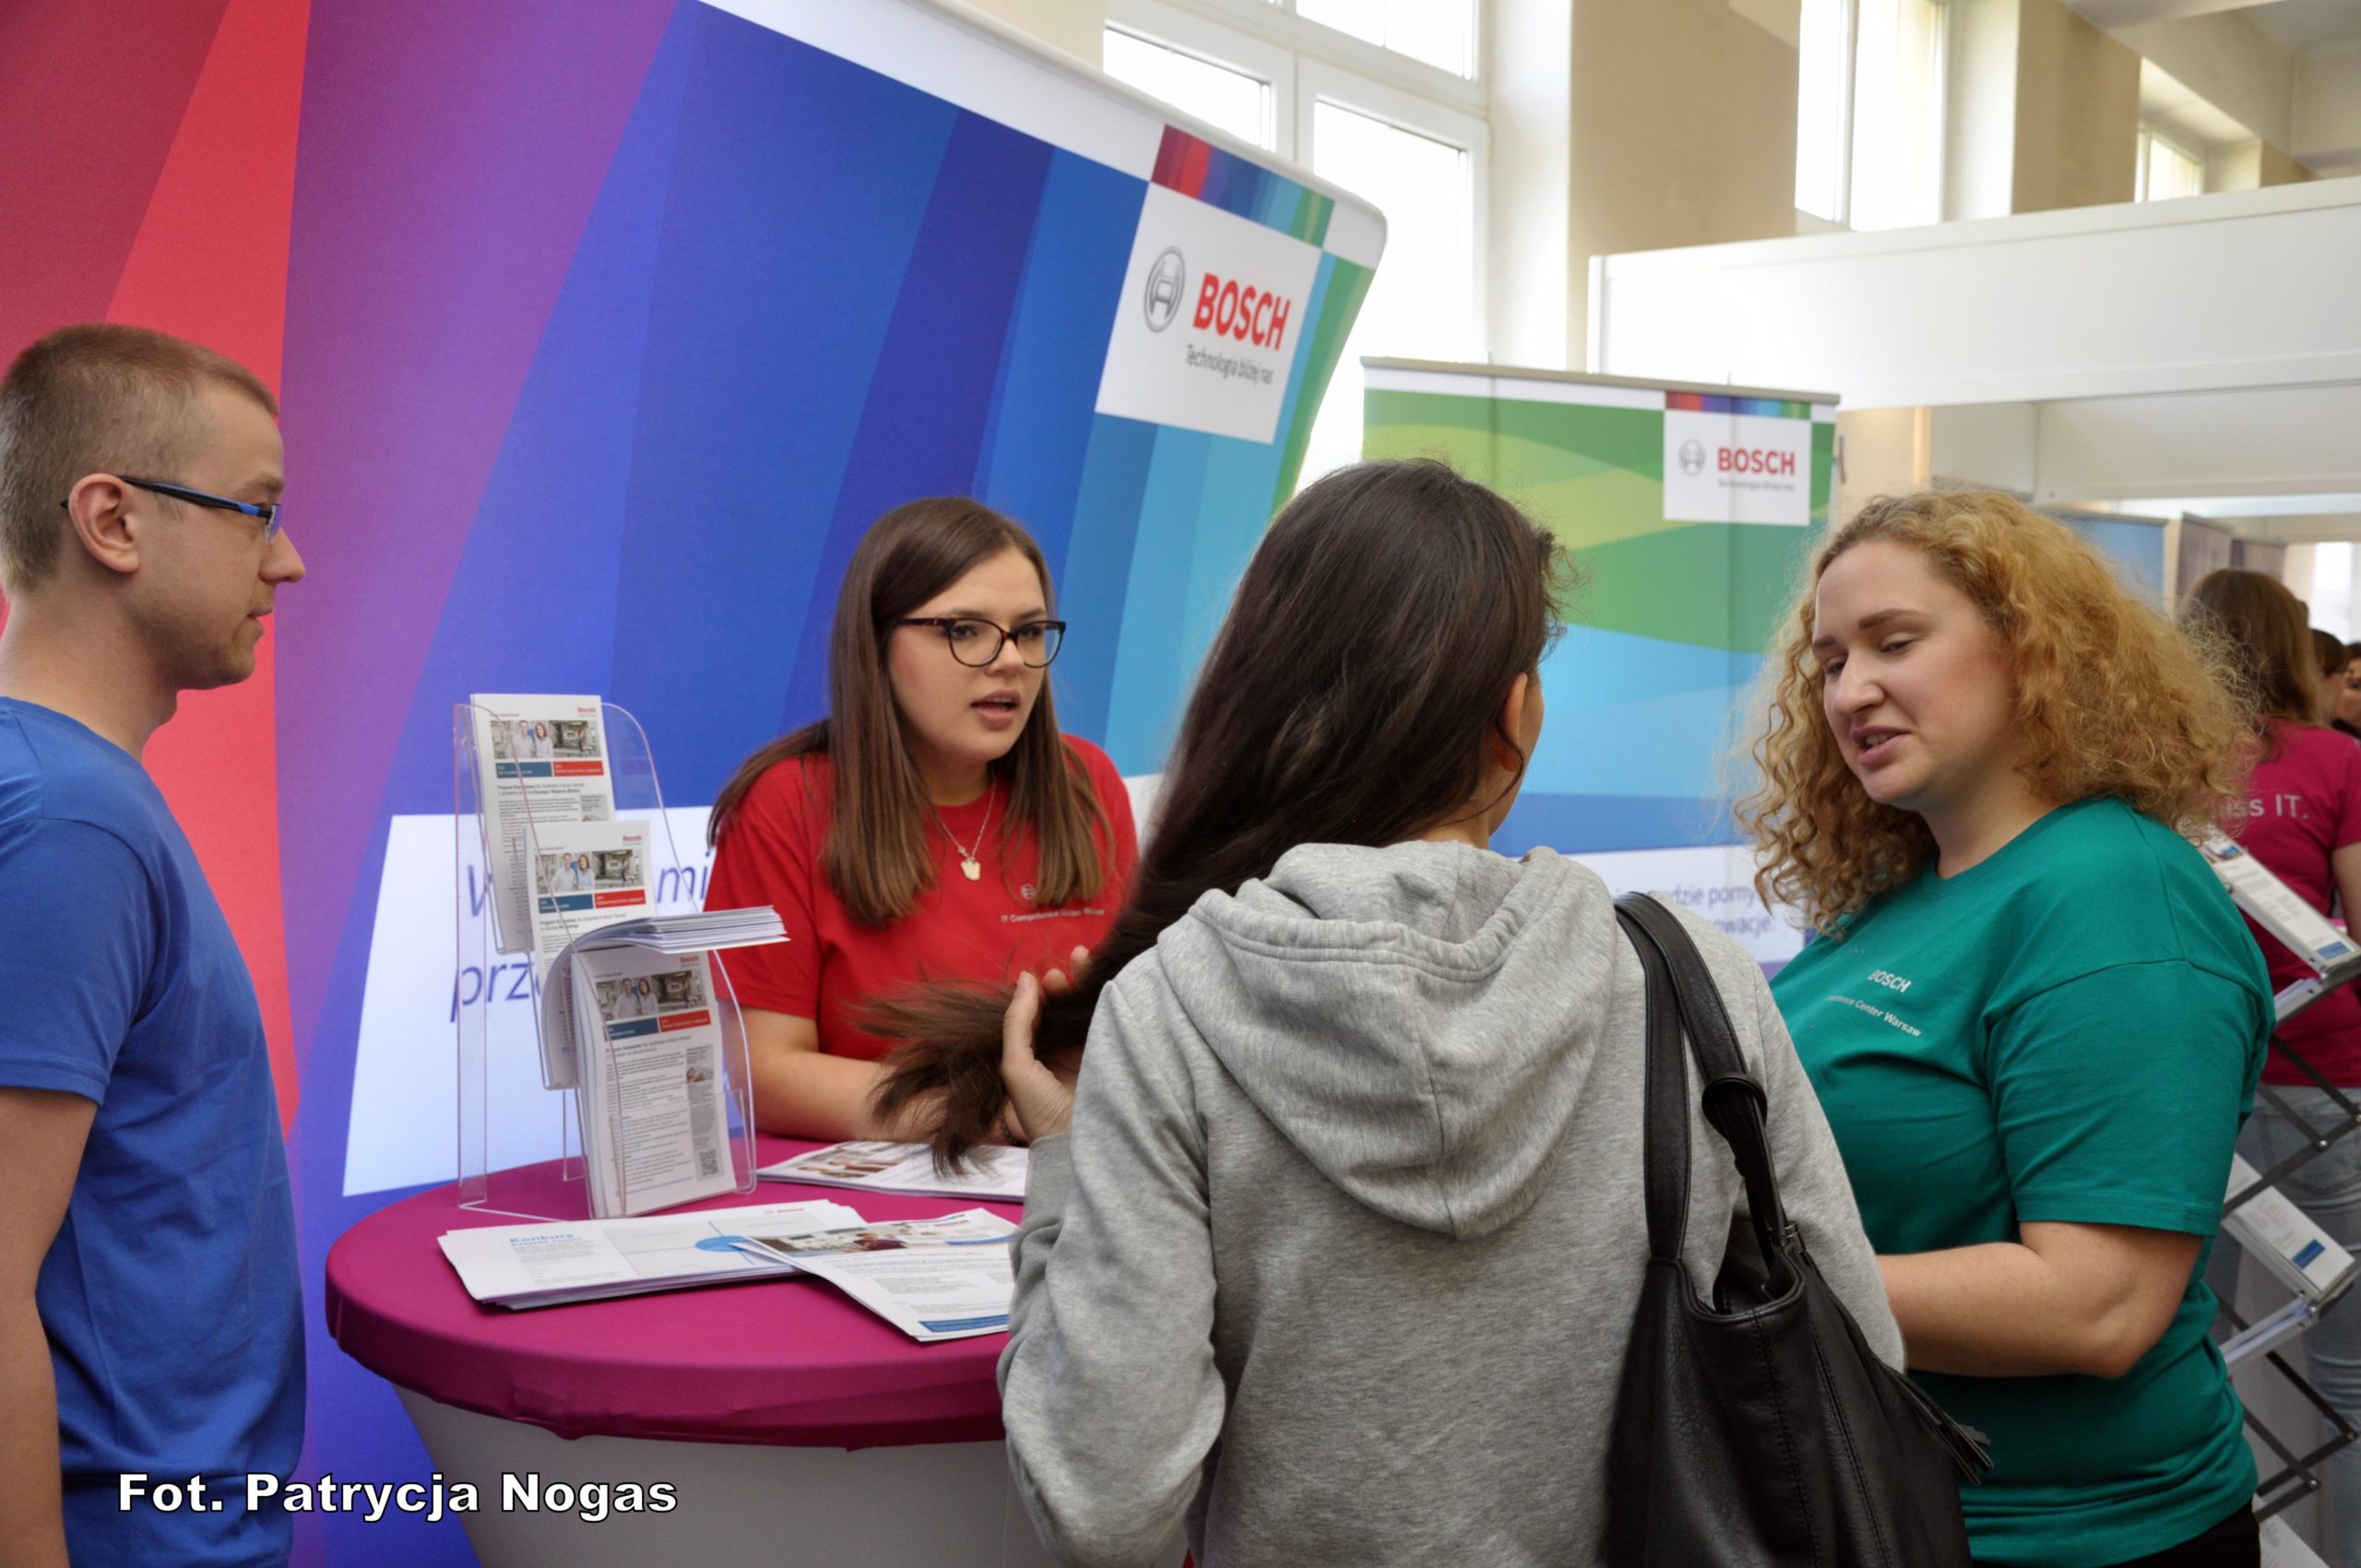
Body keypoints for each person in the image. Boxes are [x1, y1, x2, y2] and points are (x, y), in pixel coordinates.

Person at [880, 460, 1899, 1565]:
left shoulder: (1170, 1009)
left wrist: (1065, 1162)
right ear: (1514, 712)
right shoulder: (1690, 980)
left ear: (1262, 702)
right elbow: (1860, 1355)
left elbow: (1105, 1507)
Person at [1747, 490, 2268, 1568]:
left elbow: (2096, 1306)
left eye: (1894, 642)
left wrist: (1753, 1281)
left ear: (2030, 647)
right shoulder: (1906, 885)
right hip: (1880, 1502)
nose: (1850, 689)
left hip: (2070, 1537)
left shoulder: (2114, 895)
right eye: (1830, 660)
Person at [0, 324, 308, 1566]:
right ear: (113, 521)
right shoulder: (69, 823)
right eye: (255, 509)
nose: (286, 559)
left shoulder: (72, 797)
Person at [701, 496, 1137, 1140]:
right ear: (878, 642)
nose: (1010, 660)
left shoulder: (1087, 783)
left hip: (1076, 1169)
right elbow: (766, 1074)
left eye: (1028, 632)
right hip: (899, 1183)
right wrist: (1005, 1117)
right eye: (964, 630)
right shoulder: (787, 802)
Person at [2187, 570, 2361, 1566]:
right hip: (2321, 1075)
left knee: (2182, 1333)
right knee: (2347, 1363)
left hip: (2190, 1066)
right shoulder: (2338, 758)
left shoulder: (2156, 757)